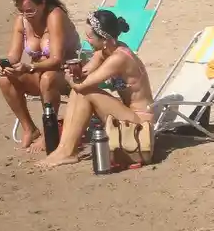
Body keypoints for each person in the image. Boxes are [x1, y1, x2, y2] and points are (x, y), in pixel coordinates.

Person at [39, 9, 153, 168]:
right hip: (127, 114)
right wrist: (75, 71)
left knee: (84, 92)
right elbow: (84, 76)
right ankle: (64, 149)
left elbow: (82, 85)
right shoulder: (105, 51)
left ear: (104, 39)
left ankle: (67, 152)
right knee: (80, 92)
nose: (87, 41)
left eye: (90, 37)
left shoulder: (119, 58)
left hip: (140, 123)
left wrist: (69, 78)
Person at [0, 0, 81, 151]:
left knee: (47, 78)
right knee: (4, 80)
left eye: (30, 10)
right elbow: (14, 55)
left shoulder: (55, 15)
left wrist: (30, 67)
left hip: (68, 74)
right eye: (21, 11)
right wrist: (5, 63)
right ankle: (29, 129)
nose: (26, 15)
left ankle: (48, 132)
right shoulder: (22, 20)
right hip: (39, 73)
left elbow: (57, 59)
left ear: (42, 3)